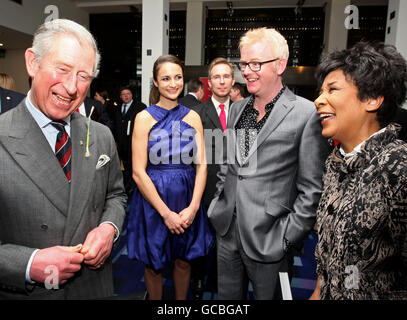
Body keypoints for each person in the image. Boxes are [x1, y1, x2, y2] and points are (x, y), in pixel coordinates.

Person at [0, 19, 127, 299]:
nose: (72, 87)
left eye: (84, 76)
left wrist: (109, 228)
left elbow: (116, 196)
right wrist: (29, 263)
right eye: (63, 69)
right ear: (32, 63)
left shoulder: (101, 135)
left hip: (94, 288)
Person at [207, 27, 329, 300]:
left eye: (256, 64)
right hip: (227, 230)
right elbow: (230, 165)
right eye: (244, 64)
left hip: (271, 236)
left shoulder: (305, 113)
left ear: (280, 65)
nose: (247, 71)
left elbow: (312, 188)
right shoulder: (239, 108)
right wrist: (218, 203)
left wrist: (288, 236)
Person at [310, 41, 407, 300]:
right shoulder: (336, 164)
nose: (319, 100)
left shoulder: (398, 168)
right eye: (320, 91)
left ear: (373, 99)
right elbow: (330, 253)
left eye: (332, 89)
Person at [127, 54, 214, 300]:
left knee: (184, 261)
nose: (173, 83)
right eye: (165, 78)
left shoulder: (193, 116)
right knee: (154, 264)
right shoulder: (143, 118)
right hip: (154, 200)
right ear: (155, 82)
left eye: (177, 77)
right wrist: (165, 213)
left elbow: (202, 165)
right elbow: (137, 172)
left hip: (187, 198)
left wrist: (194, 207)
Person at [190, 57, 235, 299]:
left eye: (225, 76)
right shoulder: (197, 112)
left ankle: (221, 279)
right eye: (216, 77)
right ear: (210, 82)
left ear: (233, 80)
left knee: (227, 238)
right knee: (201, 236)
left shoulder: (244, 110)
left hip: (234, 187)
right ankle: (197, 279)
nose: (221, 81)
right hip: (206, 185)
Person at [112, 86, 146, 195]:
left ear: (132, 95)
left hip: (134, 143)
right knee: (123, 168)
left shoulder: (140, 107)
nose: (126, 96)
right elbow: (115, 125)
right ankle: (125, 188)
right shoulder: (117, 108)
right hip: (121, 144)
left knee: (134, 166)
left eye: (128, 94)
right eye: (123, 94)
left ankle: (135, 189)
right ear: (120, 96)